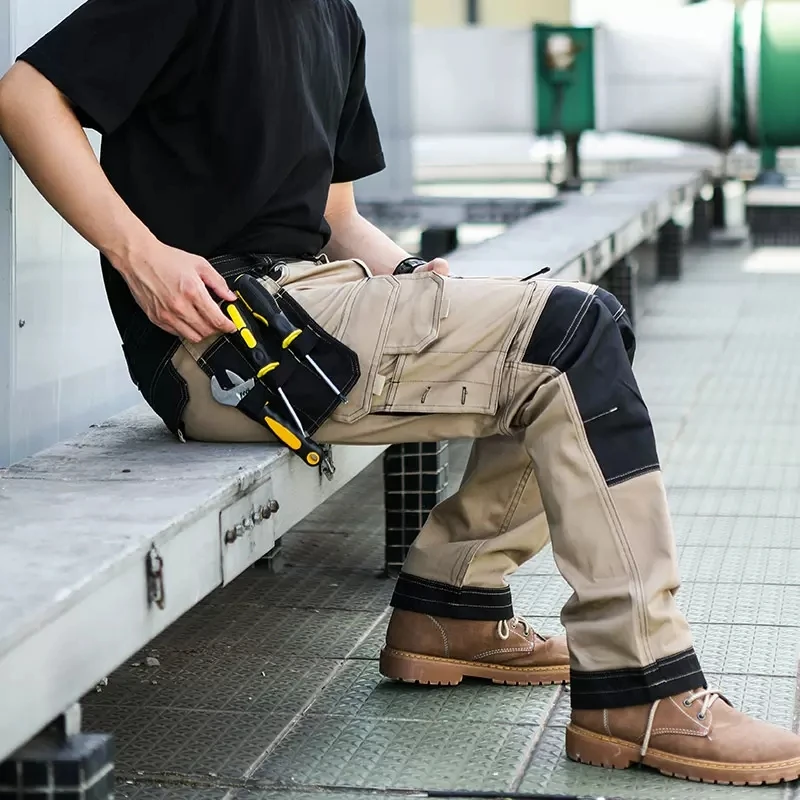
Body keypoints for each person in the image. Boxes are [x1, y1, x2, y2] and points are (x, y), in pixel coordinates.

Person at [2, 0, 799, 787]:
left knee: (583, 329)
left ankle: (454, 607)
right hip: (224, 345)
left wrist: (412, 277)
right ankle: (643, 692)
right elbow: (26, 95)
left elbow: (333, 215)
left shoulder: (335, 17)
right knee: (570, 334)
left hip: (316, 305)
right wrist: (139, 255)